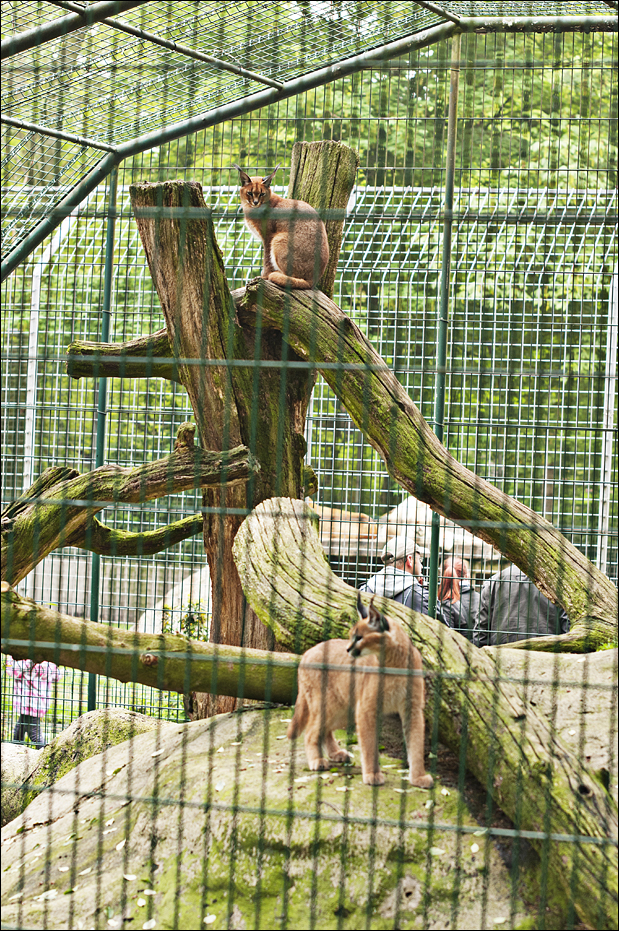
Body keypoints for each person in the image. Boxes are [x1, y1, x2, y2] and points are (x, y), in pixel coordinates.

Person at [473, 564, 570, 647]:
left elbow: (481, 629)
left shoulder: (494, 581)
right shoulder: (557, 583)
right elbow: (567, 627)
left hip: (502, 652)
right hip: (545, 652)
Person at [360, 534, 438, 617]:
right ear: (409, 560)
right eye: (419, 560)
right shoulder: (422, 598)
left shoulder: (364, 591)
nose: (421, 566)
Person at [6, 657, 61, 749]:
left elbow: (11, 671)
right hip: (38, 703)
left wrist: (9, 659)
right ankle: (16, 750)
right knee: (19, 730)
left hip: (27, 703)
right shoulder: (48, 663)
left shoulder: (23, 663)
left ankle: (45, 753)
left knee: (35, 734)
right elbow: (57, 676)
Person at [437, 556, 480, 641]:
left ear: (443, 577)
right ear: (467, 575)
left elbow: (446, 638)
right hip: (481, 647)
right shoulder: (481, 598)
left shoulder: (447, 603)